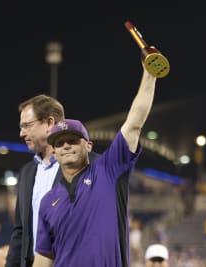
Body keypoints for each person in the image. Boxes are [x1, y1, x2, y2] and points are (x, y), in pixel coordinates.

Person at [33, 61, 158, 267]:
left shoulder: (109, 171)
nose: (66, 146)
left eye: (73, 140)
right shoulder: (48, 201)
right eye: (60, 143)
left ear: (88, 146)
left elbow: (134, 124)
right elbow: (45, 256)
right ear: (53, 152)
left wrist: (150, 74)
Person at [5, 94, 97, 267]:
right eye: (21, 127)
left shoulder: (91, 167)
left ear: (49, 123)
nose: (21, 133)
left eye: (27, 126)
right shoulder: (26, 173)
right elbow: (20, 232)